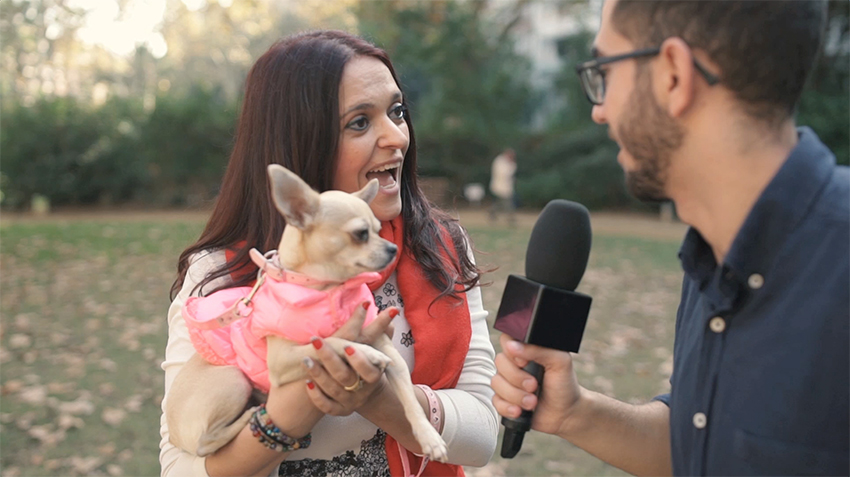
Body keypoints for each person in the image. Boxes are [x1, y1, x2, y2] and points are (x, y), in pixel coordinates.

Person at [491, 1, 849, 476]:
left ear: (674, 75)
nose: (599, 110)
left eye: (605, 73)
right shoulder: (710, 251)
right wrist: (577, 413)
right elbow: (702, 445)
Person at [160, 30, 498, 477]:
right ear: (299, 141)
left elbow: (483, 436)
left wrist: (379, 397)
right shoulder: (220, 275)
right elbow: (180, 464)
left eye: (397, 112)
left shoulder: (442, 249)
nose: (397, 137)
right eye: (359, 122)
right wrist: (287, 415)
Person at [488, 148, 517, 226]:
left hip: (506, 187)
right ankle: (511, 218)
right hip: (500, 186)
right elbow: (503, 174)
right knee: (507, 203)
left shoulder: (509, 163)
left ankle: (492, 213)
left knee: (499, 203)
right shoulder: (499, 161)